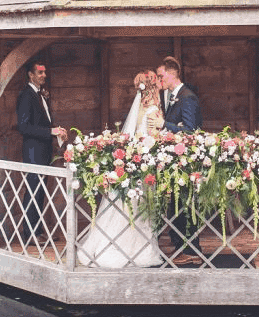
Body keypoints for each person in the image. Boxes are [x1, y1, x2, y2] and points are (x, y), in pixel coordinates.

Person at [77, 70, 165, 267]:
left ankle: (111, 244)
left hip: (136, 161)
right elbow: (151, 137)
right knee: (140, 208)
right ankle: (137, 250)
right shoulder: (152, 111)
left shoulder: (141, 108)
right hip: (145, 163)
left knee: (127, 207)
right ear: (153, 87)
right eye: (157, 82)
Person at [156, 56, 203, 262]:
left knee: (184, 204)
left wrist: (164, 124)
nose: (159, 80)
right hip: (175, 160)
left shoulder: (187, 96)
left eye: (161, 76)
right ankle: (180, 248)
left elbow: (191, 130)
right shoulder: (173, 96)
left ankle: (191, 250)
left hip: (186, 161)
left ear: (172, 74)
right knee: (175, 205)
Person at [15, 59, 67, 241]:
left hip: (44, 150)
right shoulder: (26, 95)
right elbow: (23, 127)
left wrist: (56, 133)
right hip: (32, 151)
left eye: (44, 72)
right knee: (33, 190)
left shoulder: (41, 94)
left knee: (41, 191)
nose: (44, 75)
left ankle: (37, 232)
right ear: (31, 75)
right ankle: (29, 234)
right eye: (40, 73)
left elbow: (43, 122)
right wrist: (50, 131)